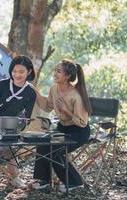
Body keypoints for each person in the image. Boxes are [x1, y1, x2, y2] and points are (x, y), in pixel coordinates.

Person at [0, 55, 37, 196]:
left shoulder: (30, 92)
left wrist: (19, 126)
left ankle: (15, 178)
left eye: (21, 72)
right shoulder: (1, 85)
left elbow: (27, 117)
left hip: (10, 127)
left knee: (11, 148)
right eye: (14, 71)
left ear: (29, 72)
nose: (17, 75)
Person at [32, 59, 92, 192]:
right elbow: (47, 107)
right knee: (43, 143)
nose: (55, 74)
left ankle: (75, 183)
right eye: (55, 70)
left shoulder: (76, 95)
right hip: (62, 128)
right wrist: (35, 93)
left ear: (68, 76)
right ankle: (44, 180)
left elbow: (82, 122)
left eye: (58, 71)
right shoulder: (54, 89)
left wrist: (67, 112)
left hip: (79, 132)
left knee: (55, 149)